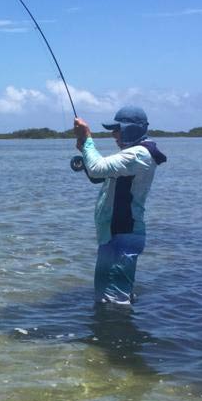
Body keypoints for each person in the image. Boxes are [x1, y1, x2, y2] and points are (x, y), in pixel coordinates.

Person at [73, 106, 167, 305]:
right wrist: (84, 152)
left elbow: (98, 168)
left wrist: (87, 137)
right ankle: (111, 332)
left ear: (132, 129)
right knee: (106, 297)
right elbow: (98, 176)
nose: (114, 134)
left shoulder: (138, 154)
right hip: (114, 233)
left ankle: (117, 334)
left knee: (114, 302)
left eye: (118, 129)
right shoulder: (132, 154)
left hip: (123, 234)